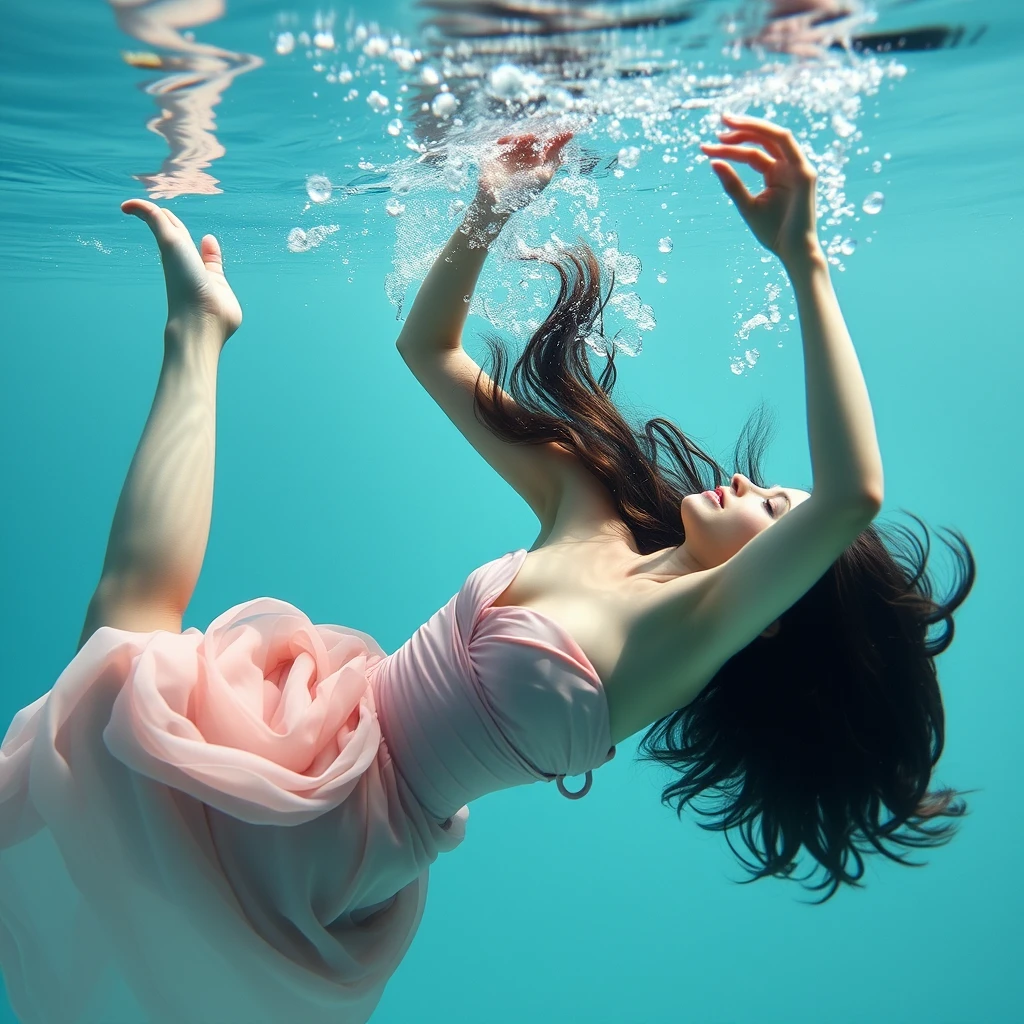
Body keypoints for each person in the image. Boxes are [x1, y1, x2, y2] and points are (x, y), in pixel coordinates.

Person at [0, 116, 973, 1023]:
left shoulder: (680, 637)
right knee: (117, 652)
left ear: (774, 606)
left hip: (341, 832)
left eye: (774, 513)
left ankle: (196, 332)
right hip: (320, 730)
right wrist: (488, 209)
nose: (752, 484)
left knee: (120, 667)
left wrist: (803, 260)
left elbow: (853, 497)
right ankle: (200, 330)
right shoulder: (585, 502)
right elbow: (427, 349)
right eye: (775, 487)